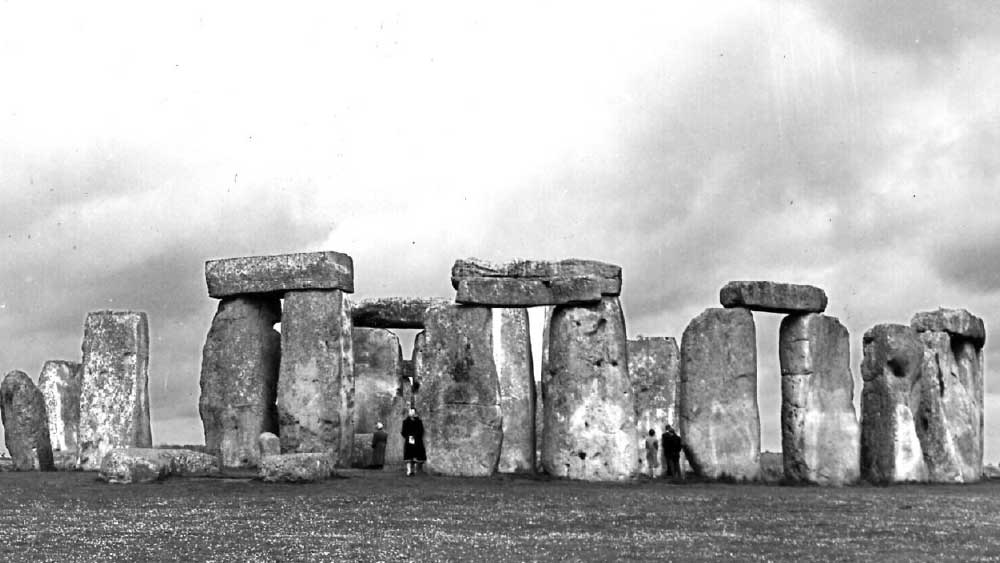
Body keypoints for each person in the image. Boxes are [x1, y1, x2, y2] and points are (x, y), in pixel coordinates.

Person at [401, 407, 426, 476]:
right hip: (409, 439)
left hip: (417, 440)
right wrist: (408, 436)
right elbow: (403, 432)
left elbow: (421, 431)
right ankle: (409, 471)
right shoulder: (405, 422)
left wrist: (417, 437)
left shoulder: (419, 421)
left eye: (413, 412)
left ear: (415, 413)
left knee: (416, 455)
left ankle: (415, 471)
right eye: (410, 412)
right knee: (409, 456)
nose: (411, 413)